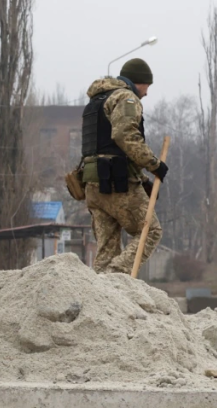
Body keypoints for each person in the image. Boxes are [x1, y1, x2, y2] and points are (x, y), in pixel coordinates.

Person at [80, 58, 166, 274]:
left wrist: (143, 179)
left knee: (106, 249)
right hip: (117, 184)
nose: (146, 92)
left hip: (93, 185)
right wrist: (154, 165)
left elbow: (103, 146)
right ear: (139, 81)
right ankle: (115, 275)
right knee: (151, 231)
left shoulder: (95, 102)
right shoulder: (126, 98)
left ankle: (100, 294)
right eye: (147, 85)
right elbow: (124, 135)